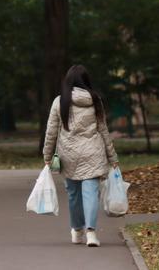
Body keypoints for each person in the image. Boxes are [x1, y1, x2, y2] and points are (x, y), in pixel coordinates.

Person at [42, 65, 119, 247]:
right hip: (93, 152)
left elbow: (51, 132)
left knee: (73, 195)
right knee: (91, 192)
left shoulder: (60, 102)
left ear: (67, 81)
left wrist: (47, 156)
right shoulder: (95, 101)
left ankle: (77, 230)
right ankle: (91, 233)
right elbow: (103, 131)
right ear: (87, 81)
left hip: (68, 154)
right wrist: (112, 157)